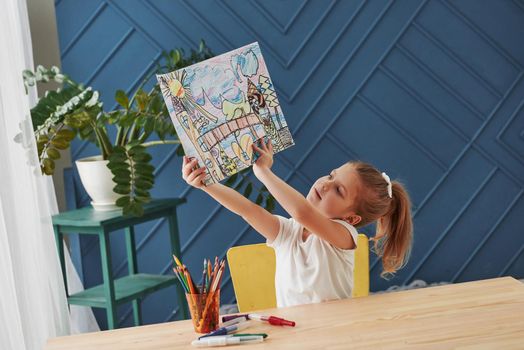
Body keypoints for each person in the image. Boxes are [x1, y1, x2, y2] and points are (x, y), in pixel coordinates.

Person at [182, 139, 413, 307]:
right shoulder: (288, 232)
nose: (324, 185)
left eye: (339, 190)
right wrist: (205, 184)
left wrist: (262, 172)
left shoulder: (345, 235)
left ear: (351, 218)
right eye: (331, 176)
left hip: (335, 338)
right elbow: (248, 210)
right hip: (294, 335)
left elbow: (302, 212)